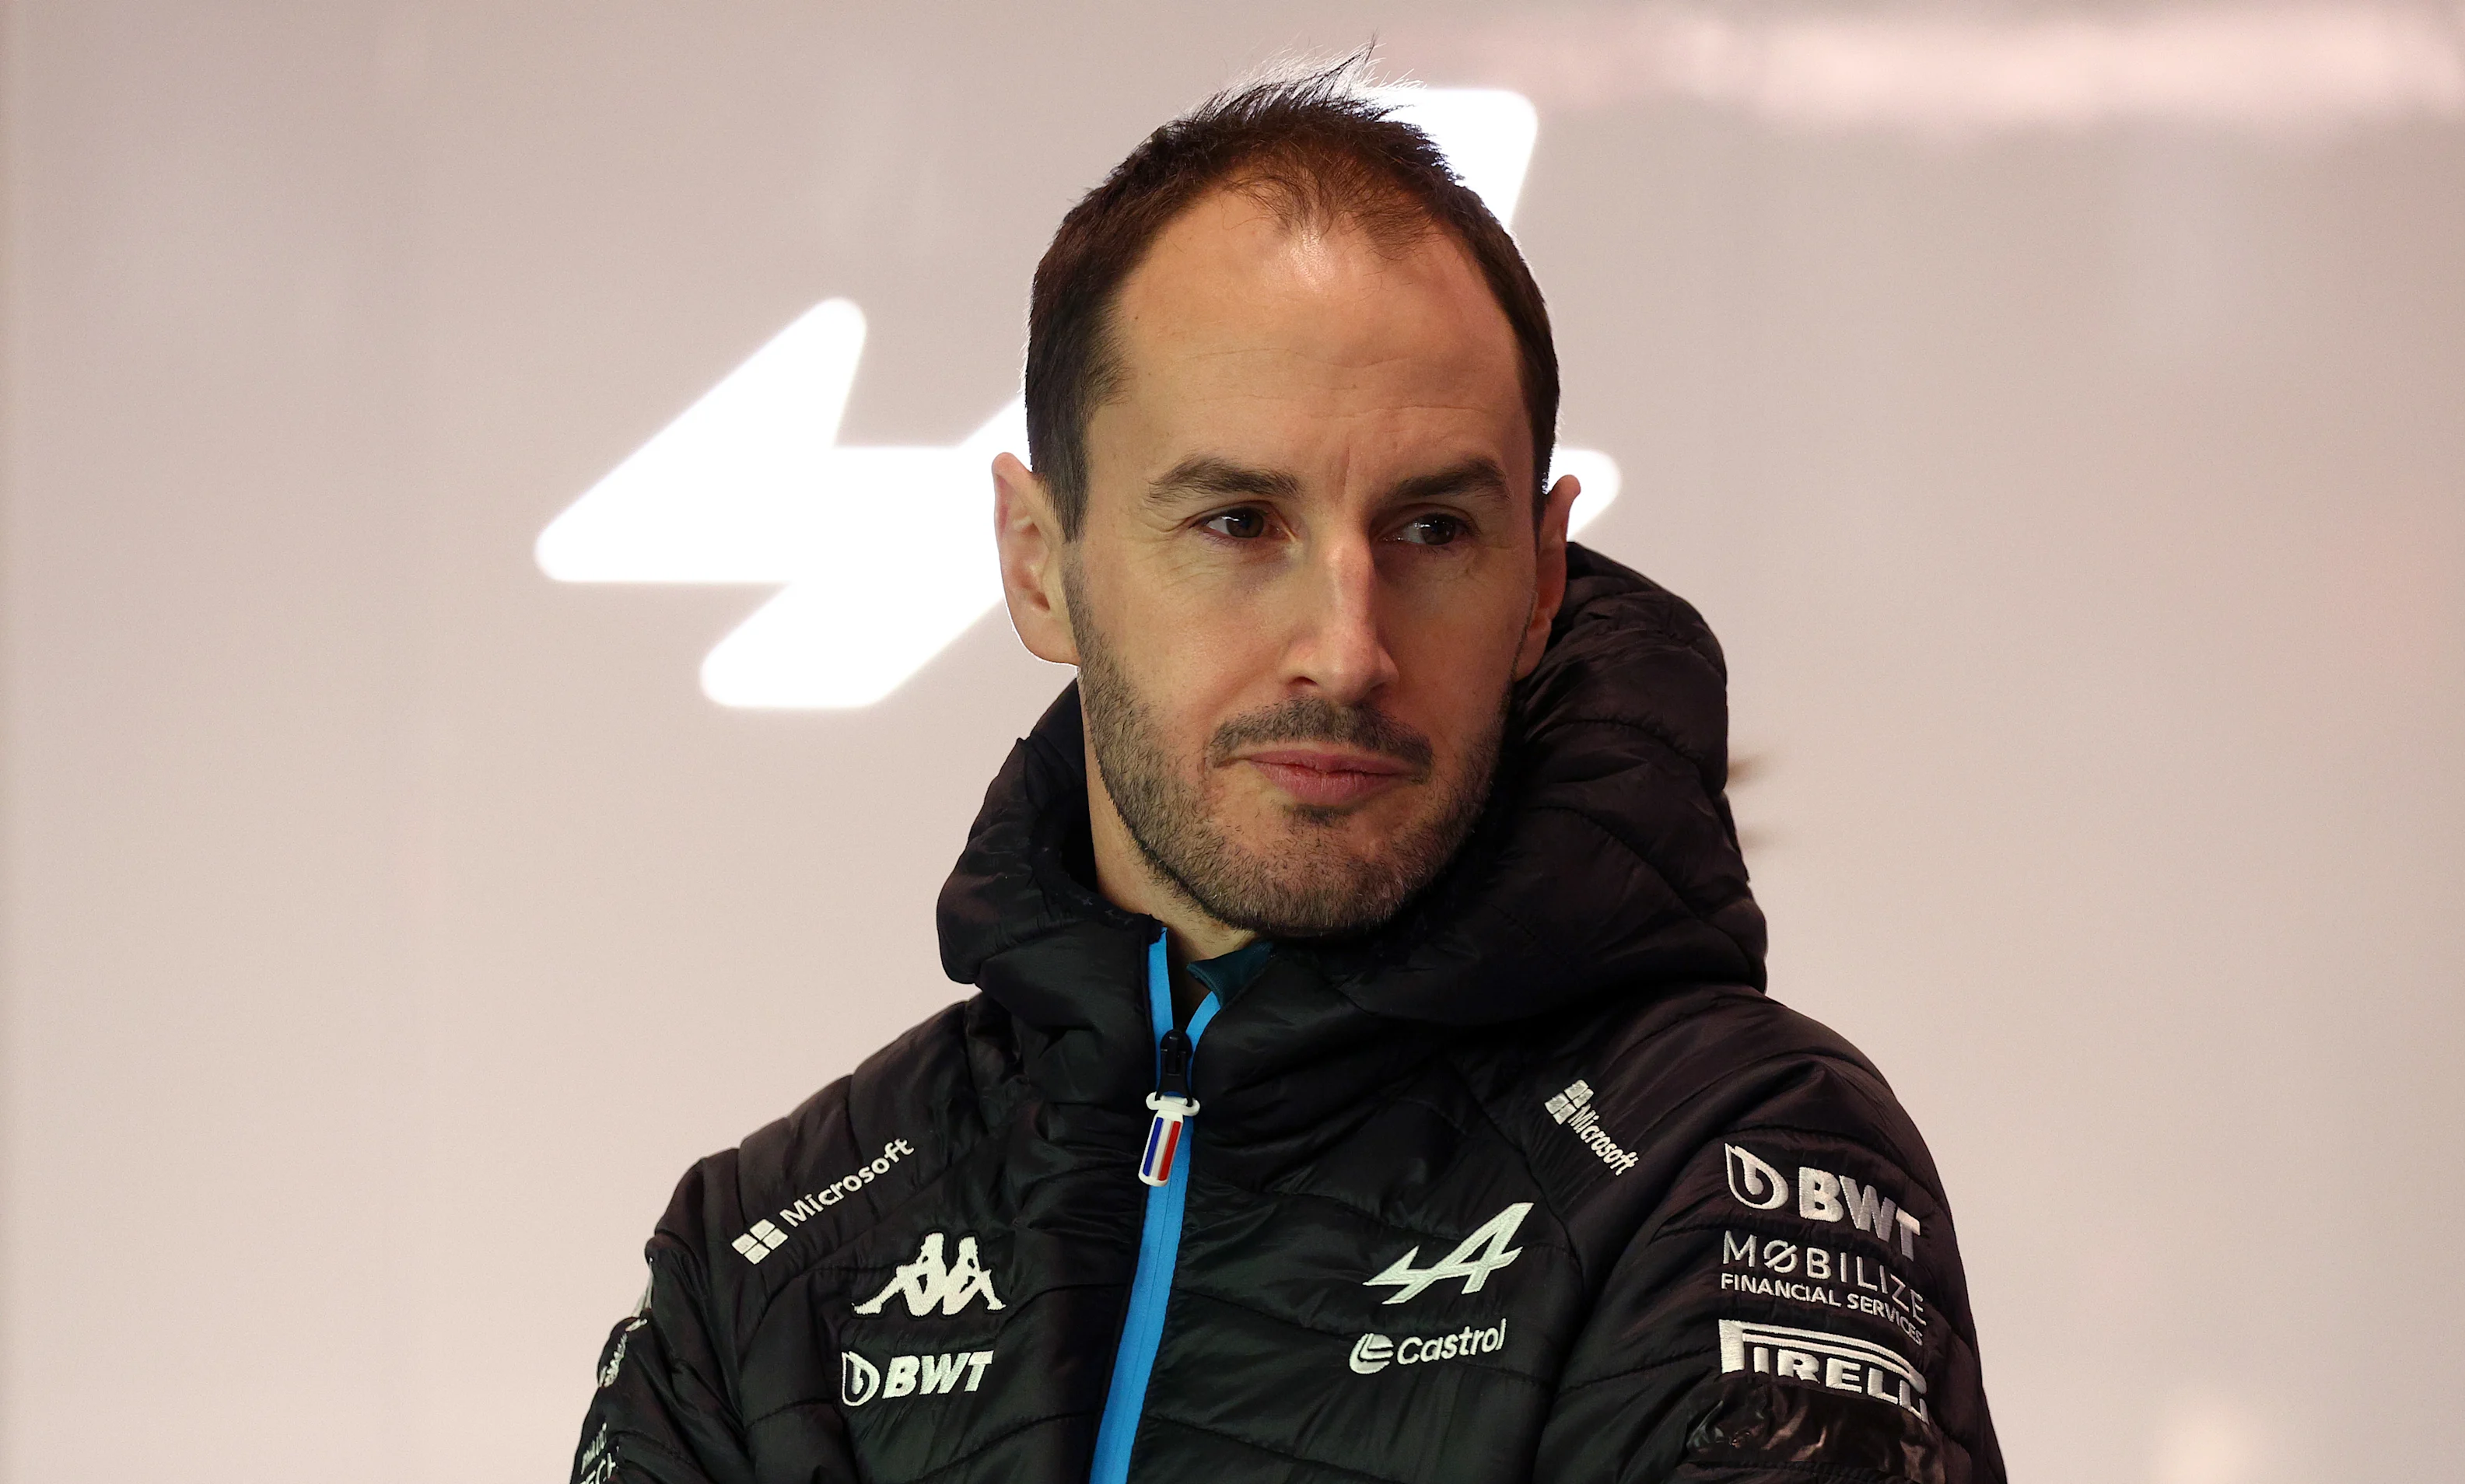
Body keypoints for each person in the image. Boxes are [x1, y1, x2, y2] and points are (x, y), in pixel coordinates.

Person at [573, 61, 2004, 1484]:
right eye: (1240, 520)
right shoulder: (768, 1255)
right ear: (1037, 564)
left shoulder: (1735, 1160)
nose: (1347, 647)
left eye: (1434, 529)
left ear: (1543, 577)